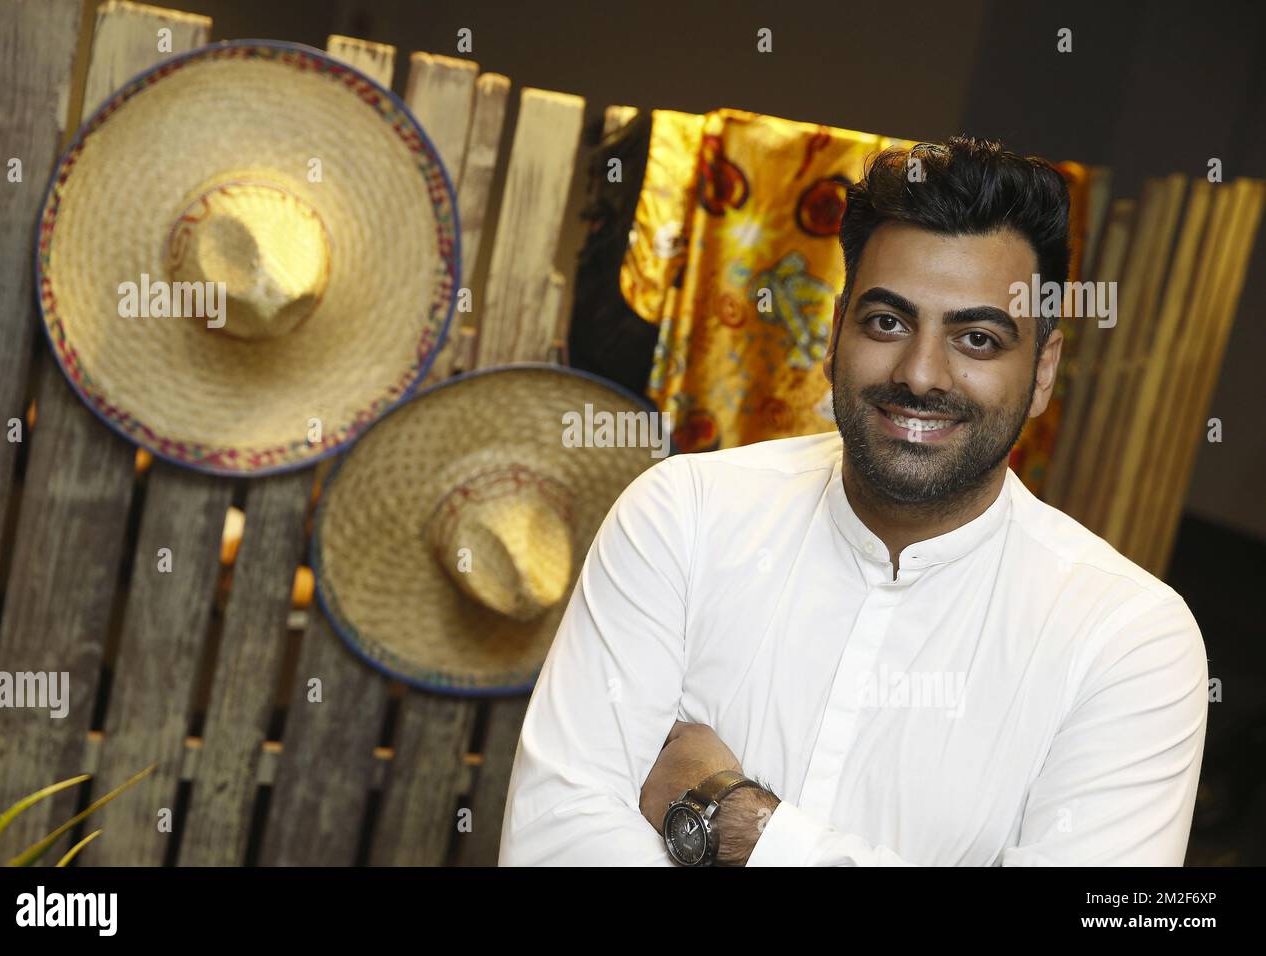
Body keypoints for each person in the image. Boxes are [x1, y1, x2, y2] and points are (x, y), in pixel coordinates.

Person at [498, 136, 1209, 866]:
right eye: (888, 323)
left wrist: (743, 826)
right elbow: (554, 840)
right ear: (836, 332)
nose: (922, 373)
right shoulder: (683, 517)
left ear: (1044, 370)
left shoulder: (1129, 641)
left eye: (978, 338)